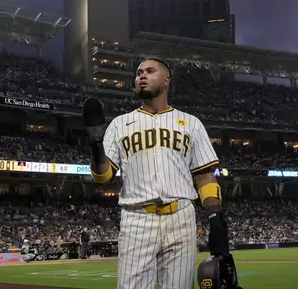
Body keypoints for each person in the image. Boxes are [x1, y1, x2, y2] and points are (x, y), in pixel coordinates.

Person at [83, 58, 242, 289]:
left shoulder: (191, 123)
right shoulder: (119, 124)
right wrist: (96, 148)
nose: (142, 76)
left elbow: (205, 175)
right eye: (138, 73)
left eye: (149, 71)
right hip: (137, 219)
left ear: (167, 80)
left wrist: (216, 216)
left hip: (181, 217)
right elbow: (103, 177)